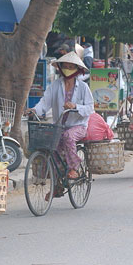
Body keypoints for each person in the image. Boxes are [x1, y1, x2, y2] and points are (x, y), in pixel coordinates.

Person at [27, 51, 94, 197]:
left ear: (77, 70)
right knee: (52, 147)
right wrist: (34, 110)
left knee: (68, 137)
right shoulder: (55, 85)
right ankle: (57, 184)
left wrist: (75, 106)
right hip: (59, 126)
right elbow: (44, 103)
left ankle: (74, 168)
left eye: (72, 66)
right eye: (66, 66)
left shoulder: (83, 87)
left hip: (79, 126)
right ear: (61, 67)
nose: (68, 69)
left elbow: (90, 108)